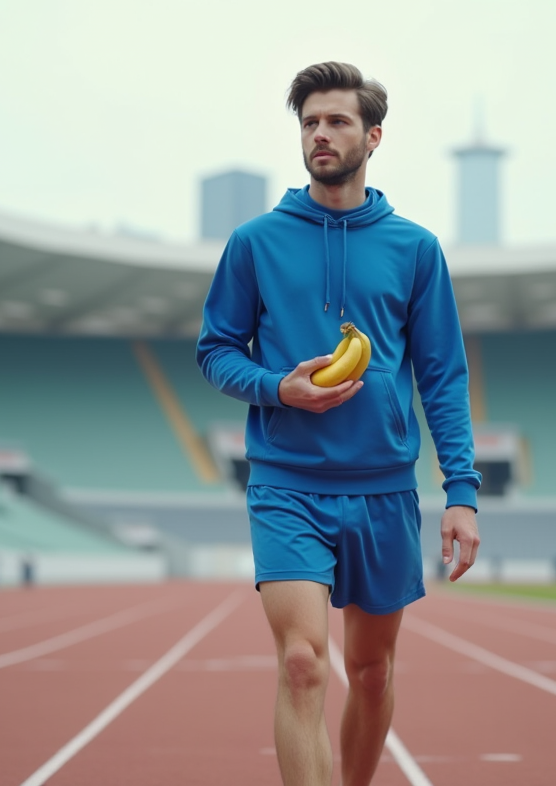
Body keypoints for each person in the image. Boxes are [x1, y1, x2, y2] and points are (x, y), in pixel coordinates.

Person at [196, 62, 481, 786]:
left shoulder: (416, 249)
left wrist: (462, 492)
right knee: (301, 662)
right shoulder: (254, 242)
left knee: (373, 672)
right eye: (309, 122)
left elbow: (443, 375)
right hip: (287, 484)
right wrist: (277, 389)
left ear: (373, 135)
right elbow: (215, 351)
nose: (320, 134)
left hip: (385, 487)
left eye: (337, 121)